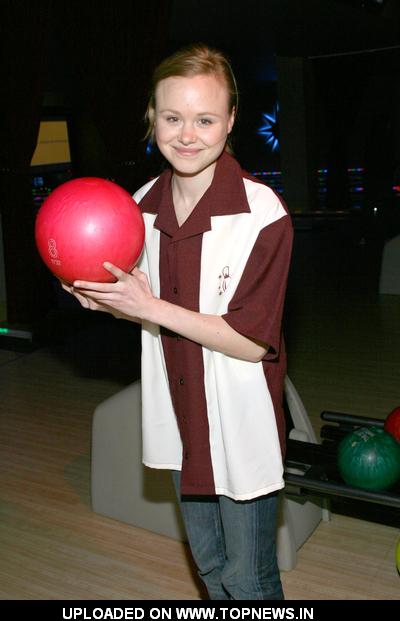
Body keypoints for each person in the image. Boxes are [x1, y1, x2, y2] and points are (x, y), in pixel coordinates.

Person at [63, 44, 293, 600]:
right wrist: (107, 300)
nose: (187, 135)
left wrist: (148, 308)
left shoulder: (263, 214)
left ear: (231, 120)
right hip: (177, 418)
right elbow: (141, 304)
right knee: (210, 566)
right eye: (172, 117)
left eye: (205, 119)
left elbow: (248, 342)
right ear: (152, 116)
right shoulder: (138, 208)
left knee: (249, 579)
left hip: (241, 426)